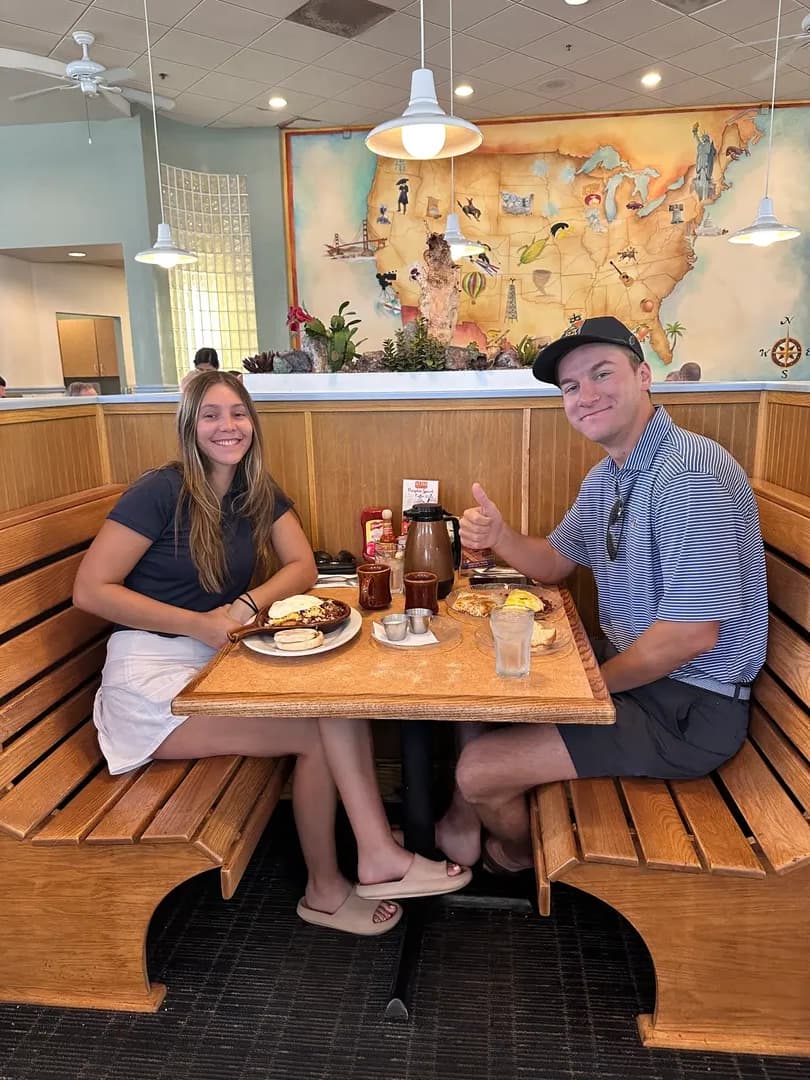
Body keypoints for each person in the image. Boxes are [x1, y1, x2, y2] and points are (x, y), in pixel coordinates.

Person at [73, 371, 469, 935]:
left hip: (211, 661)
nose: (227, 426)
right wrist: (201, 624)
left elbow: (303, 566)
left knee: (333, 702)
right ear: (189, 425)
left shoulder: (252, 490)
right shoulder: (161, 491)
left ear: (252, 425)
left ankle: (375, 846)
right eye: (210, 414)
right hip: (150, 686)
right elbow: (90, 592)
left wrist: (242, 605)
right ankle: (330, 890)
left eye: (237, 414)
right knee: (316, 731)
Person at [438, 316, 767, 875]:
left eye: (601, 374)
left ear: (644, 376)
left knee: (477, 769)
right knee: (475, 695)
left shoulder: (690, 473)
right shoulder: (608, 477)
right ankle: (467, 819)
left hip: (689, 711)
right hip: (640, 683)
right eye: (571, 387)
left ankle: (515, 855)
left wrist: (588, 688)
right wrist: (499, 537)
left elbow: (690, 634)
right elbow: (554, 563)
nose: (585, 396)